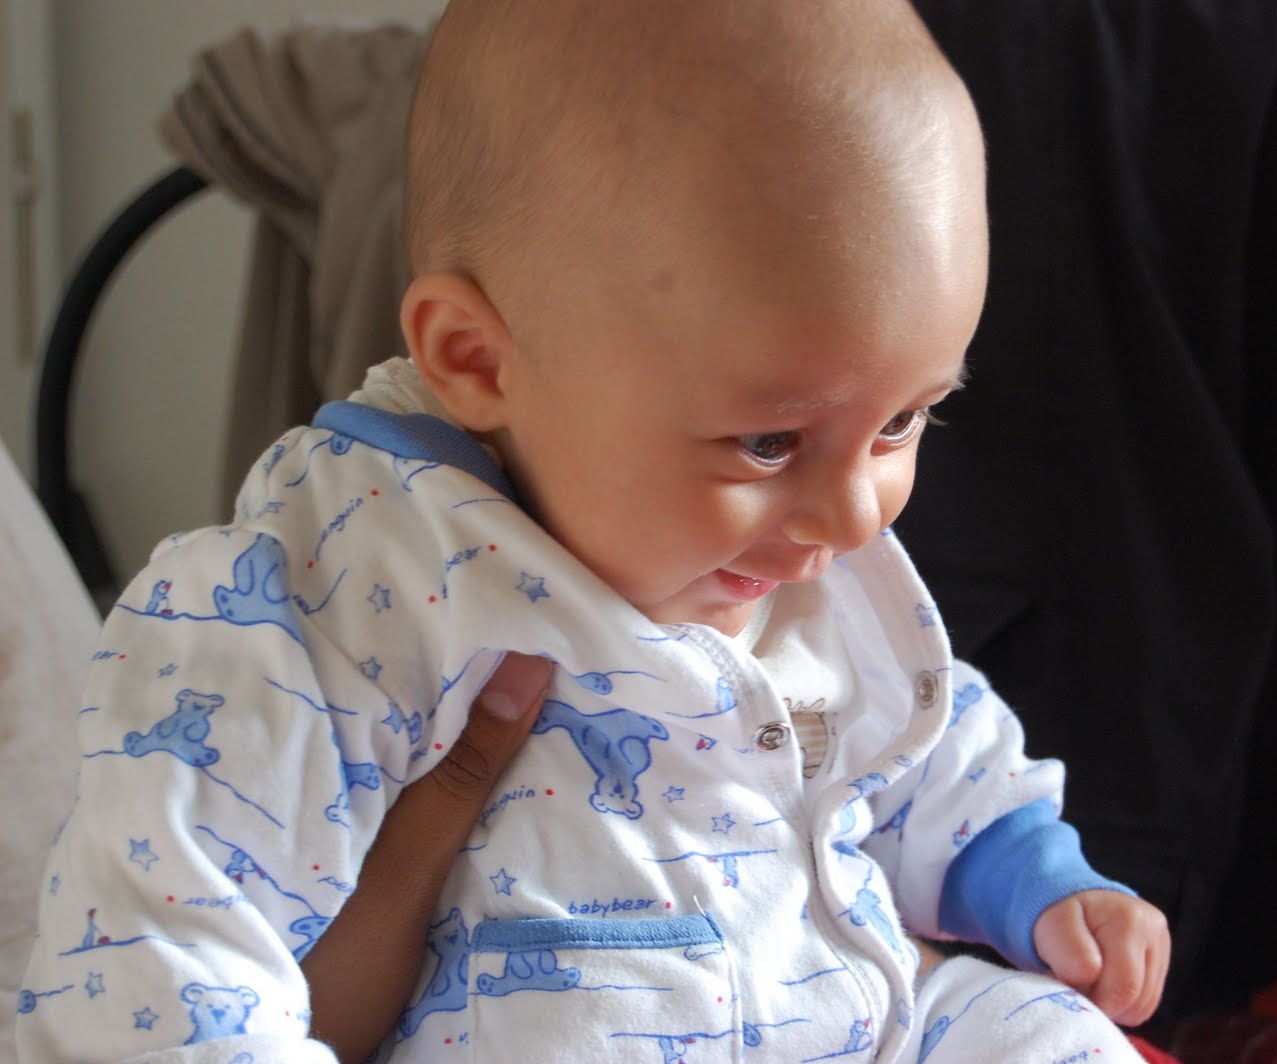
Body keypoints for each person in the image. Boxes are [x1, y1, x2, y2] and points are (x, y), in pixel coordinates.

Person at [18, 1, 1169, 1061]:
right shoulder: (317, 599)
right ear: (478, 359)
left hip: (856, 1024)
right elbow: (164, 953)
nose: (856, 511)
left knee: (1038, 1030)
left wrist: (1032, 876)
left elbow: (924, 739)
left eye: (905, 419)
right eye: (769, 440)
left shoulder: (795, 556)